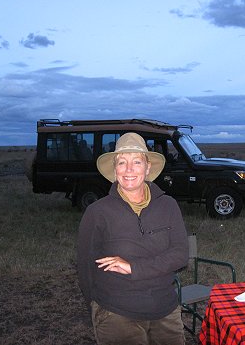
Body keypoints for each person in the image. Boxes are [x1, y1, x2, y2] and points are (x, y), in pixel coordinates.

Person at [77, 132, 189, 345]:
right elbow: (85, 267)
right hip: (116, 312)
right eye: (122, 162)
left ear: (147, 168)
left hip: (165, 309)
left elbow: (181, 255)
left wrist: (133, 267)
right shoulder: (97, 212)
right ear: (115, 169)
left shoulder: (168, 206)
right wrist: (97, 307)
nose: (129, 170)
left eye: (136, 162)